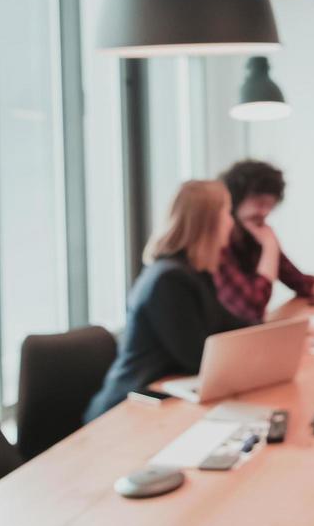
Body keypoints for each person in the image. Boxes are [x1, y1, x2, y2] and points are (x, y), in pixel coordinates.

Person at [84, 180, 244, 422]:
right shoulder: (168, 280)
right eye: (226, 214)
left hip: (165, 401)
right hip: (128, 411)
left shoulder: (196, 272)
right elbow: (196, 358)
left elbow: (227, 323)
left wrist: (280, 334)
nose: (231, 223)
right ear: (207, 222)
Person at [216, 159, 314, 324]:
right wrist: (270, 247)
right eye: (259, 204)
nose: (265, 212)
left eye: (269, 205)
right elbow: (253, 307)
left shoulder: (254, 235)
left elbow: (298, 280)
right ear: (235, 200)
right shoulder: (219, 245)